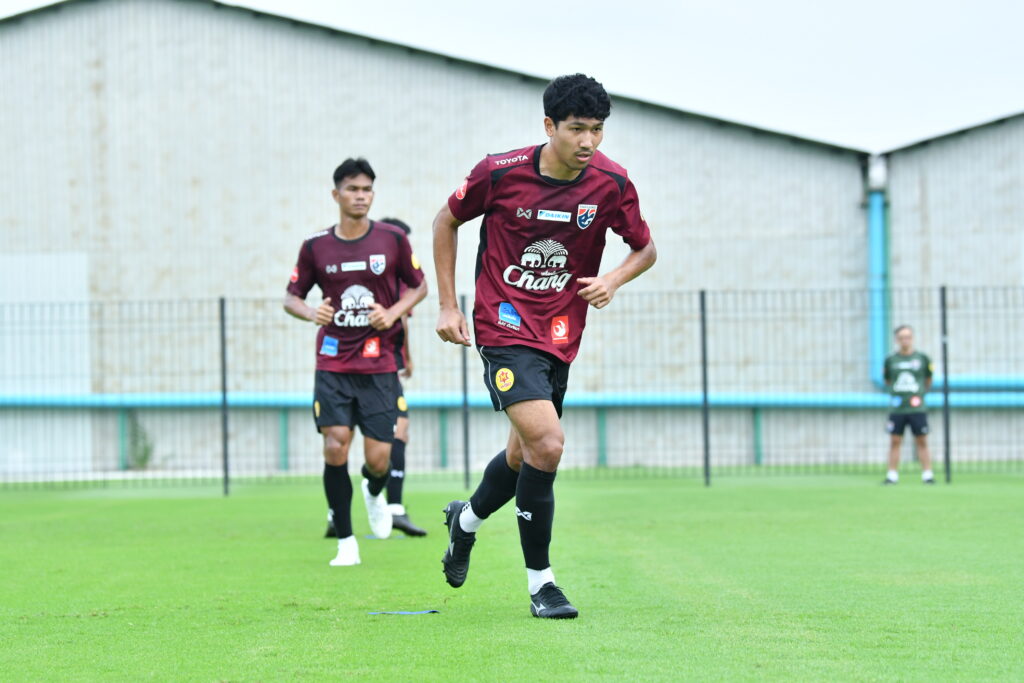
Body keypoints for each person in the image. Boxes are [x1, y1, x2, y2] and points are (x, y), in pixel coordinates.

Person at [432, 73, 657, 618]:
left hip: (560, 336)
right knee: (549, 444)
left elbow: (645, 249)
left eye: (597, 129)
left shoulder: (612, 183)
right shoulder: (499, 172)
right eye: (577, 129)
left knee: (523, 454)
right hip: (503, 327)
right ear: (549, 126)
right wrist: (447, 305)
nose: (588, 141)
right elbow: (446, 221)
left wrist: (613, 280)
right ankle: (542, 585)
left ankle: (465, 522)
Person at [284, 158, 427, 566]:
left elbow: (419, 287)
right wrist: (310, 312)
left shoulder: (392, 239)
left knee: (379, 460)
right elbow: (291, 297)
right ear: (336, 195)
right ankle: (346, 542)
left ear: (373, 194)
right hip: (332, 364)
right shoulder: (316, 246)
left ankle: (373, 490)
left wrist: (392, 313)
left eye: (366, 190)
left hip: (378, 366)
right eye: (352, 189)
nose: (360, 196)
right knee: (335, 446)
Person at [379, 217, 428, 537]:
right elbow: (402, 322)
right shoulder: (394, 278)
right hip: (379, 366)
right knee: (396, 432)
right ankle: (391, 507)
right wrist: (406, 358)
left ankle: (336, 513)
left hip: (376, 366)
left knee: (391, 433)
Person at [883, 325, 935, 485]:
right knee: (895, 440)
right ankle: (892, 475)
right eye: (901, 337)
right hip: (897, 407)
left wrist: (918, 394)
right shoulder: (891, 360)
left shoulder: (922, 358)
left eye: (908, 337)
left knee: (921, 440)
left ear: (912, 338)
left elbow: (928, 380)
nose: (905, 340)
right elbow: (887, 380)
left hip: (917, 408)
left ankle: (927, 474)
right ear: (896, 340)